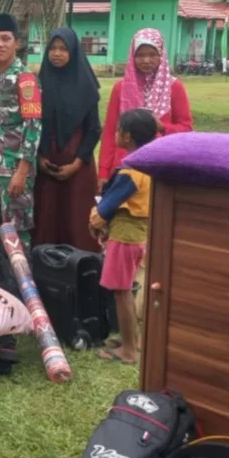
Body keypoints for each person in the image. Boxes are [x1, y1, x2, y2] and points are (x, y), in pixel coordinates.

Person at [89, 108, 158, 366]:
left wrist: (94, 220)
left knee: (122, 292)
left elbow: (106, 207)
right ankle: (134, 339)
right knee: (126, 289)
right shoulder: (150, 164)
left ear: (127, 136)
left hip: (125, 237)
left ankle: (128, 350)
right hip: (139, 234)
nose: (115, 133)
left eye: (118, 129)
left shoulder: (131, 170)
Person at [31, 28, 102, 252]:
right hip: (46, 168)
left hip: (78, 168)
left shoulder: (86, 87)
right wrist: (39, 159)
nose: (57, 54)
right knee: (46, 222)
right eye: (52, 48)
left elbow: (93, 129)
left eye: (63, 49)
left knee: (77, 223)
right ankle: (46, 275)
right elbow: (31, 125)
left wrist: (76, 164)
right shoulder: (37, 86)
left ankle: (82, 275)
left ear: (73, 52)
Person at [98, 28, 194, 185]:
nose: (146, 60)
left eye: (152, 54)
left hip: (160, 165)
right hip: (124, 166)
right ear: (132, 56)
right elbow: (110, 131)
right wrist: (103, 171)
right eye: (140, 55)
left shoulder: (174, 87)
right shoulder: (121, 88)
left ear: (161, 55)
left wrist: (162, 127)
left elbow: (187, 129)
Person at [0, 13, 42, 250]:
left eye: (6, 39)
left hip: (13, 171)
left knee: (17, 232)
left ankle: (20, 286)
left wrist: (22, 170)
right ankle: (1, 280)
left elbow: (33, 126)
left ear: (17, 42)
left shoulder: (25, 79)